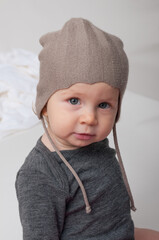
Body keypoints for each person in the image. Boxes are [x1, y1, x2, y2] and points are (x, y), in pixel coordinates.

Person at [15, 18, 159, 240]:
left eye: (103, 105)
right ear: (44, 106)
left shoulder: (91, 141)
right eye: (74, 101)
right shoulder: (40, 175)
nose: (90, 118)